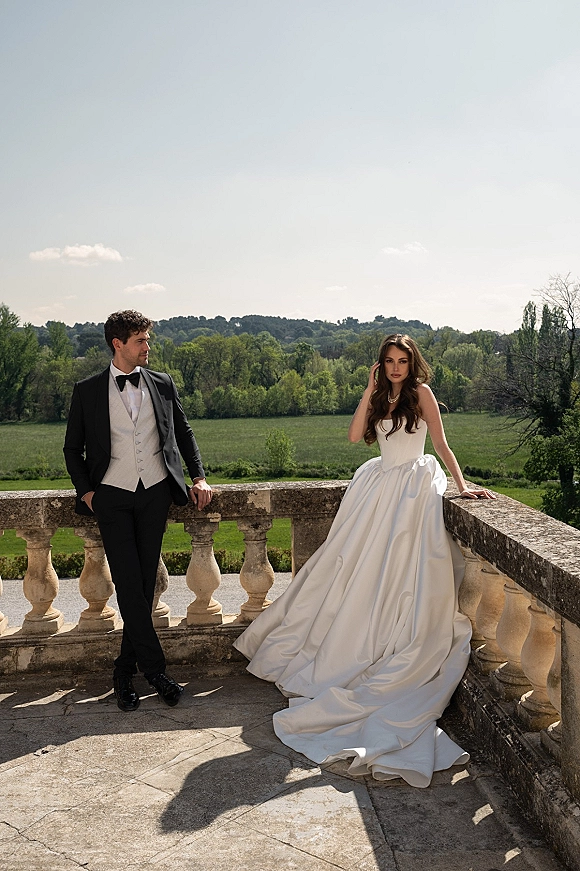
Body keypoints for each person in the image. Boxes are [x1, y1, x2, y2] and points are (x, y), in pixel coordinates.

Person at [234, 333, 495, 787]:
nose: (396, 368)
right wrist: (368, 390)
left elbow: (441, 443)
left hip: (413, 488)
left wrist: (461, 485)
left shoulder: (422, 394)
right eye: (389, 362)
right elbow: (356, 436)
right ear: (381, 365)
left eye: (402, 361)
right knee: (352, 570)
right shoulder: (378, 394)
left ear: (413, 363)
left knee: (403, 570)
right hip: (377, 489)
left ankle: (391, 636)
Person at [64, 310, 212, 712]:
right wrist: (87, 492)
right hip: (111, 496)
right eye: (141, 340)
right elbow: (71, 449)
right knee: (128, 582)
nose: (148, 347)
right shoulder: (89, 390)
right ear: (118, 344)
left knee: (144, 584)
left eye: (147, 339)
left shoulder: (162, 384)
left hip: (154, 495)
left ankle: (123, 670)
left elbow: (183, 432)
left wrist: (198, 477)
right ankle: (156, 671)